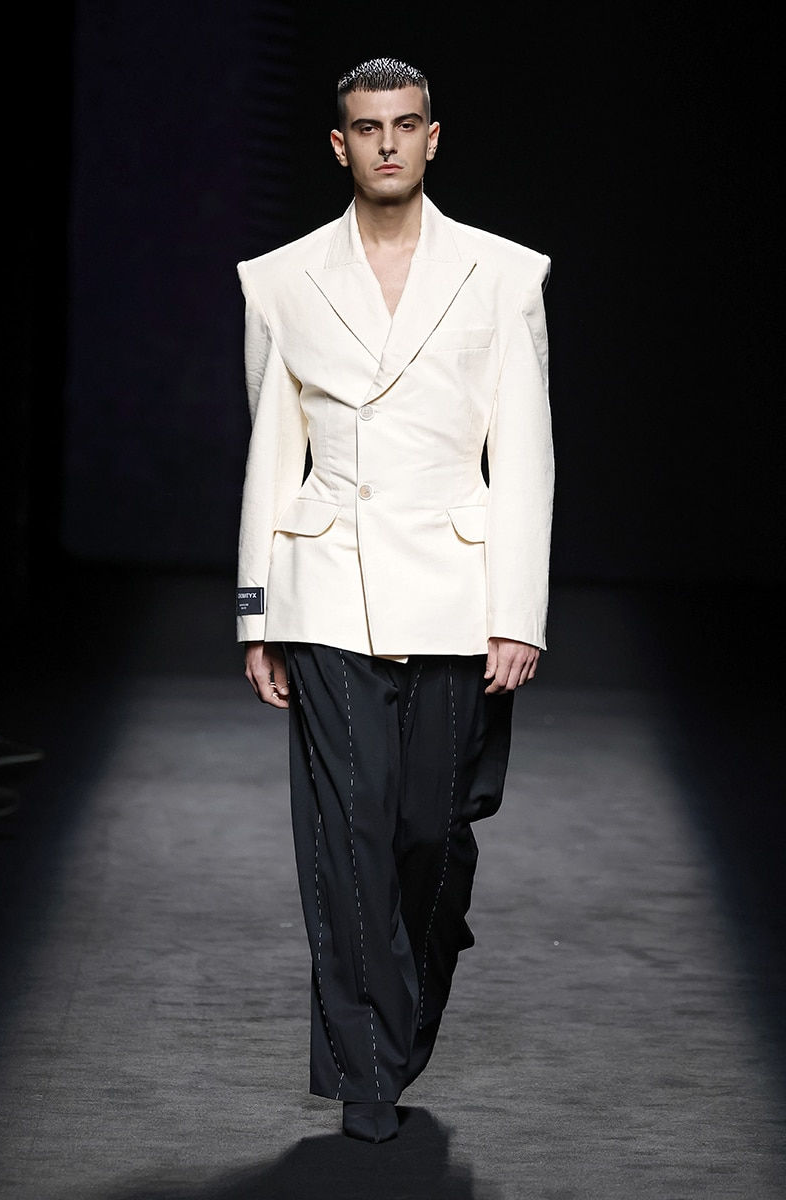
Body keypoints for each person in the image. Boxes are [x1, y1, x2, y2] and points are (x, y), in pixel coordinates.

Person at [236, 56, 553, 1143]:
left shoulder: (502, 274)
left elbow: (525, 457)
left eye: (404, 124)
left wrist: (516, 612)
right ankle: (366, 1069)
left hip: (458, 592)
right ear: (340, 145)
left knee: (430, 832)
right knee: (350, 831)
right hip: (327, 585)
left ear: (431, 137)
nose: (386, 143)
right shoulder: (280, 280)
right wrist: (258, 614)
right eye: (367, 128)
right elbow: (271, 452)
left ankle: (403, 1001)